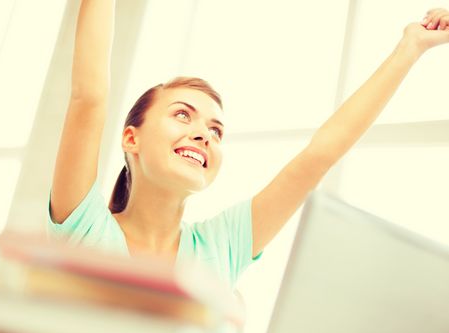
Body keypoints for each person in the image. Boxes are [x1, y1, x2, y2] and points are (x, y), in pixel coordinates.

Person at [48, 0, 449, 292]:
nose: (204, 135)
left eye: (216, 130)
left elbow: (320, 154)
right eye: (183, 115)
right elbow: (90, 97)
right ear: (131, 138)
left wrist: (409, 48)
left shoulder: (221, 246)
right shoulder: (83, 229)